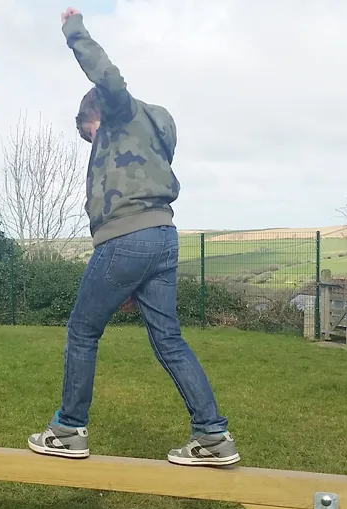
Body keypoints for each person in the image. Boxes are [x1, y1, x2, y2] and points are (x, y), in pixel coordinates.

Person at [27, 7, 240, 467]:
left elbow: (109, 77)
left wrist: (73, 29)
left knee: (82, 331)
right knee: (169, 340)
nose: (94, 143)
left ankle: (68, 429)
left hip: (126, 238)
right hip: (162, 238)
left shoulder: (119, 110)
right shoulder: (157, 126)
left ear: (97, 112)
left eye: (91, 134)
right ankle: (212, 435)